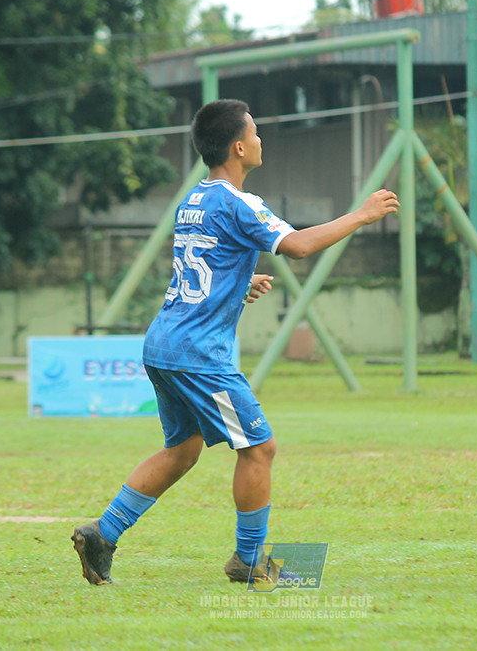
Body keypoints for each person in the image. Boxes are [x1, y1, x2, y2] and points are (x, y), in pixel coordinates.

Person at [70, 98, 400, 585]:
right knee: (259, 448)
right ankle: (249, 561)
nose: (262, 140)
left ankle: (104, 532)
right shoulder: (241, 202)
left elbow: (200, 268)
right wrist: (362, 214)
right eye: (257, 132)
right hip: (199, 354)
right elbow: (300, 247)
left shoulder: (194, 200)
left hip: (164, 343)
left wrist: (238, 286)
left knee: (183, 451)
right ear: (239, 146)